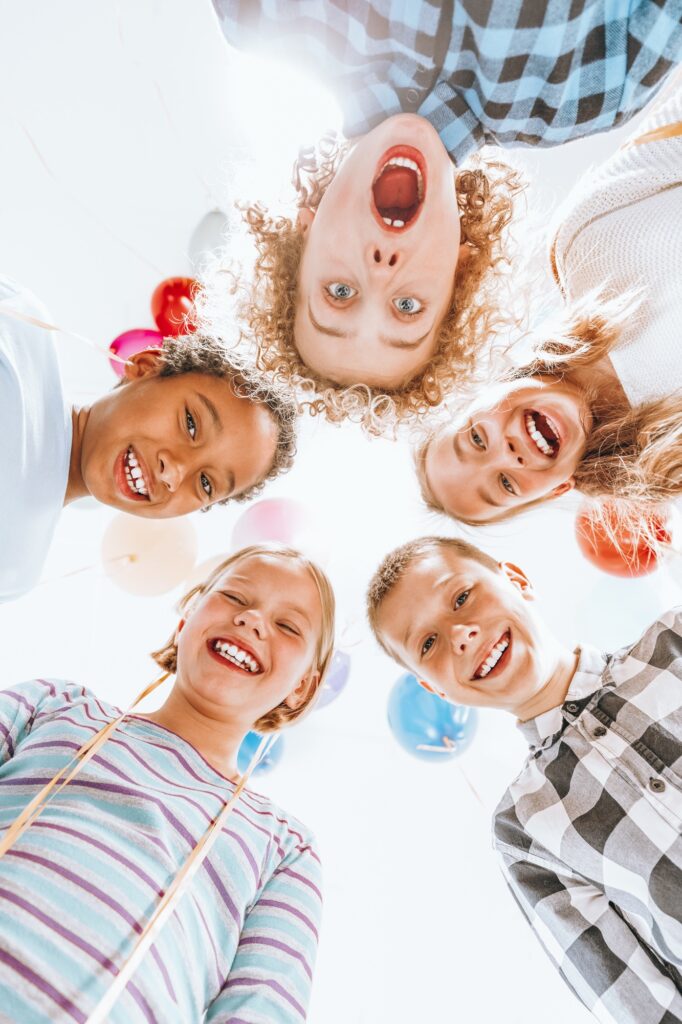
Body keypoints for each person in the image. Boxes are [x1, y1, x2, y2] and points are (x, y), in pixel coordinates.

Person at [204, 0, 682, 432]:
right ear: (460, 269)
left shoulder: (261, 17)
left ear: (303, 232)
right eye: (407, 308)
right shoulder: (589, 96)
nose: (380, 268)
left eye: (340, 293)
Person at [0, 542, 336, 1022]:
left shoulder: (284, 846)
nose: (253, 621)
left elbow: (261, 1011)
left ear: (302, 686)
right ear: (185, 620)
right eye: (235, 598)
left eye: (287, 626)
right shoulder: (55, 705)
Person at [366, 534, 682, 1024]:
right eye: (428, 643)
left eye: (461, 597)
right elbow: (637, 1001)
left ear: (516, 579)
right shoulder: (523, 830)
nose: (461, 634)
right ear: (435, 688)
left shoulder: (673, 640)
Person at [415, 80, 682, 524]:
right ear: (559, 488)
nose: (507, 453)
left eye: (478, 438)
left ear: (486, 387)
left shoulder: (580, 240)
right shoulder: (671, 451)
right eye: (505, 485)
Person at [0, 275, 297, 602]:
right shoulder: (19, 329)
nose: (174, 474)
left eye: (206, 484)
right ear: (145, 367)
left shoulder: (17, 569)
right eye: (190, 424)